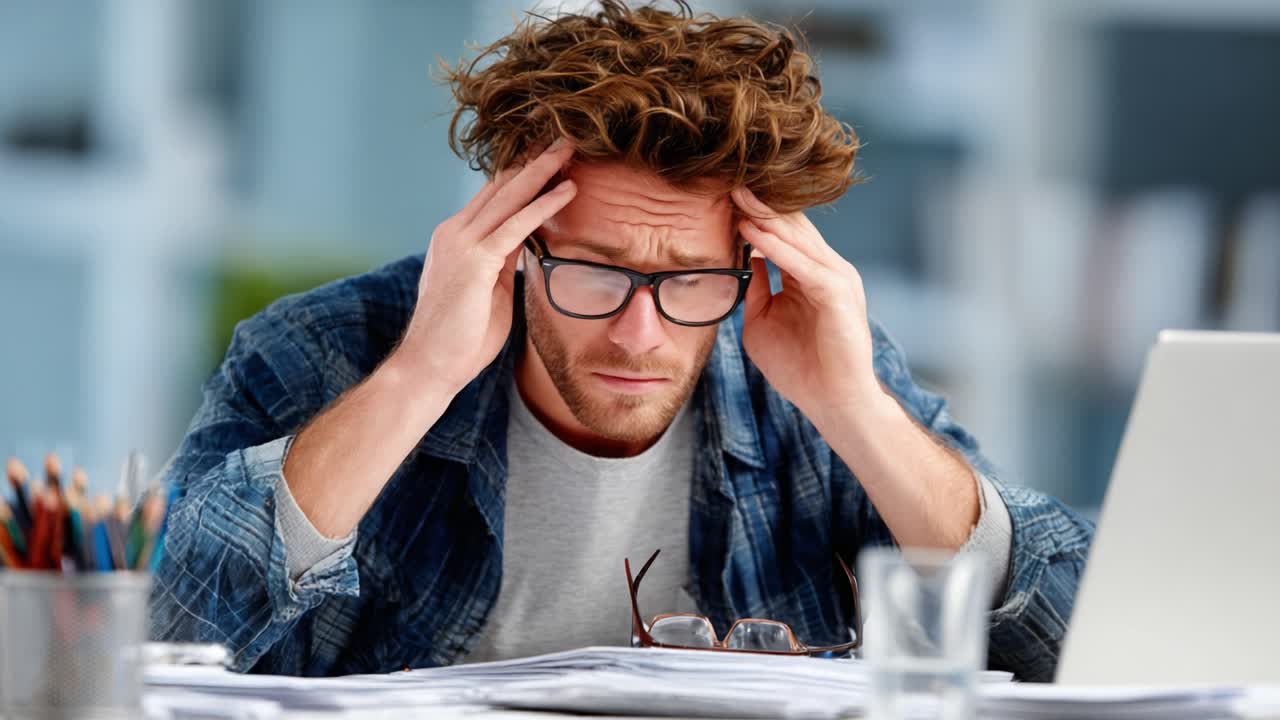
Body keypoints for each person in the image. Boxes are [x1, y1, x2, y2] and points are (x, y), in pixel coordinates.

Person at [149, 0, 1092, 682]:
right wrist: (417, 380)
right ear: (517, 244)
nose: (639, 332)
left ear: (748, 265)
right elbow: (158, 639)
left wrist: (858, 411)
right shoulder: (323, 350)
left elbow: (1073, 642)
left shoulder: (815, 368)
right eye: (596, 272)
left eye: (687, 281)